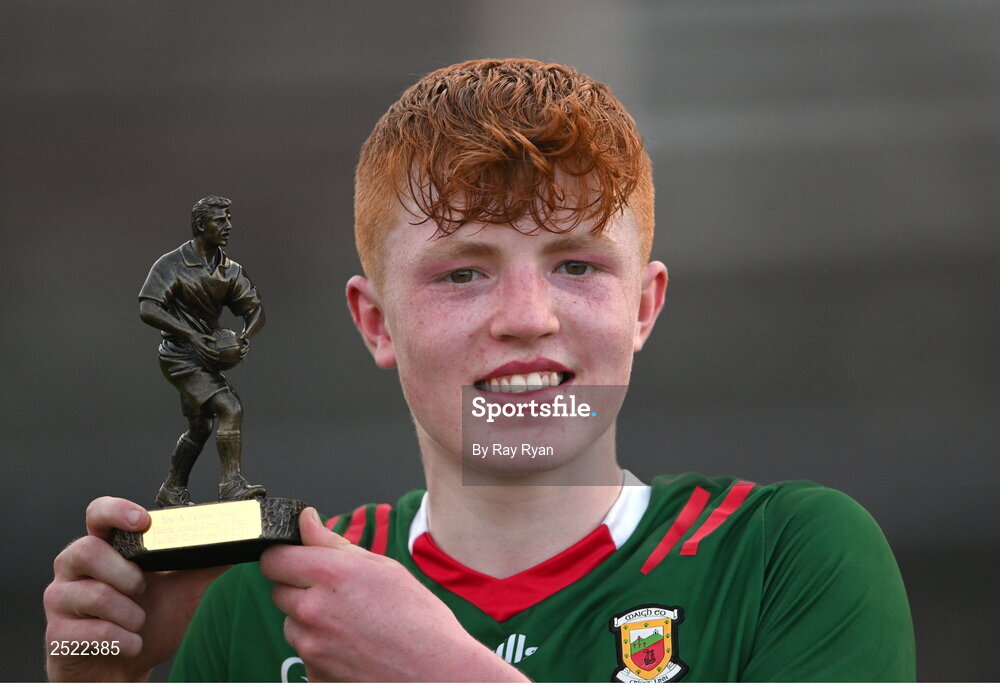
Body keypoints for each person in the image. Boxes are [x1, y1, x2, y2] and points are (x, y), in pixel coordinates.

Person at [44, 59, 915, 682]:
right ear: (375, 321)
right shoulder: (260, 610)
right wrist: (94, 676)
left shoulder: (787, 558)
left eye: (577, 265)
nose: (527, 316)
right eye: (463, 271)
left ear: (643, 307)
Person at [138, 195, 267, 506]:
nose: (228, 225)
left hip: (206, 353)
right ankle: (231, 486)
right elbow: (148, 307)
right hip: (179, 354)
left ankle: (171, 489)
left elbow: (255, 310)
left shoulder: (230, 270)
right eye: (219, 220)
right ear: (200, 225)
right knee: (230, 408)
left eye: (229, 218)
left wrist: (244, 336)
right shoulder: (171, 265)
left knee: (200, 428)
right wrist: (193, 336)